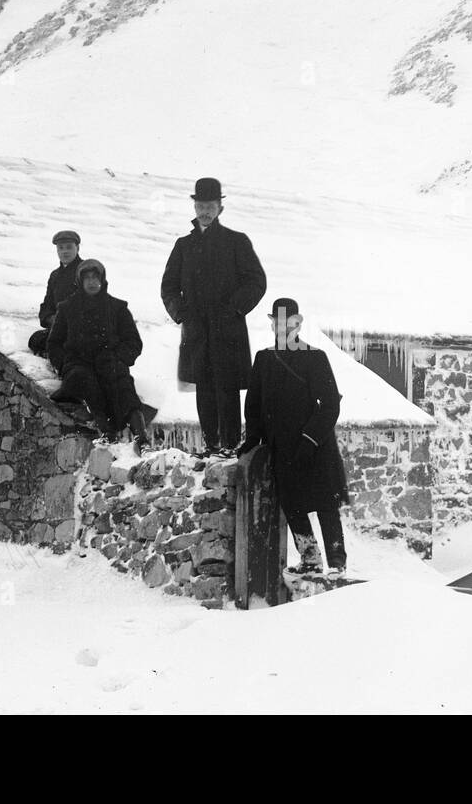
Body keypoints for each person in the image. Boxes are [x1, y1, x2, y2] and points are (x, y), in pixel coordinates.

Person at [237, 297, 350, 578]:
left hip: (316, 446)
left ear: (298, 324)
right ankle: (310, 559)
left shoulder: (315, 357)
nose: (281, 327)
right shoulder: (264, 359)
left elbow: (331, 404)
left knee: (326, 506)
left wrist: (310, 439)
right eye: (277, 322)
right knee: (293, 505)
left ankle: (337, 564)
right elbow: (253, 406)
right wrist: (252, 439)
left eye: (288, 322)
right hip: (282, 447)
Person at [160, 177, 266, 456]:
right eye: (200, 205)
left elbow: (256, 281)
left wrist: (233, 309)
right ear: (194, 207)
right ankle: (211, 445)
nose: (205, 211)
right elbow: (168, 286)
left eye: (210, 206)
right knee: (205, 387)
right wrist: (181, 313)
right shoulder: (183, 245)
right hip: (197, 331)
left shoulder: (236, 242)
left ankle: (230, 446)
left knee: (227, 387)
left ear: (220, 208)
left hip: (227, 330)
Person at [48, 259, 150, 446]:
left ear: (102, 280)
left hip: (109, 360)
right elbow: (54, 344)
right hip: (78, 363)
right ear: (80, 281)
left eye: (96, 277)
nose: (92, 282)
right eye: (87, 278)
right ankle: (106, 432)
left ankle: (141, 437)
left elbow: (133, 342)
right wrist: (64, 365)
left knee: (122, 384)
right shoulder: (67, 308)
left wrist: (119, 358)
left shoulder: (117, 308)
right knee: (83, 380)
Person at [28, 230, 83, 358]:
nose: (65, 251)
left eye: (69, 247)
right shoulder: (55, 275)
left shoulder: (86, 272)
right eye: (61, 248)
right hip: (58, 328)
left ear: (77, 248)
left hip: (80, 330)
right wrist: (50, 319)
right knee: (35, 340)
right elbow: (47, 304)